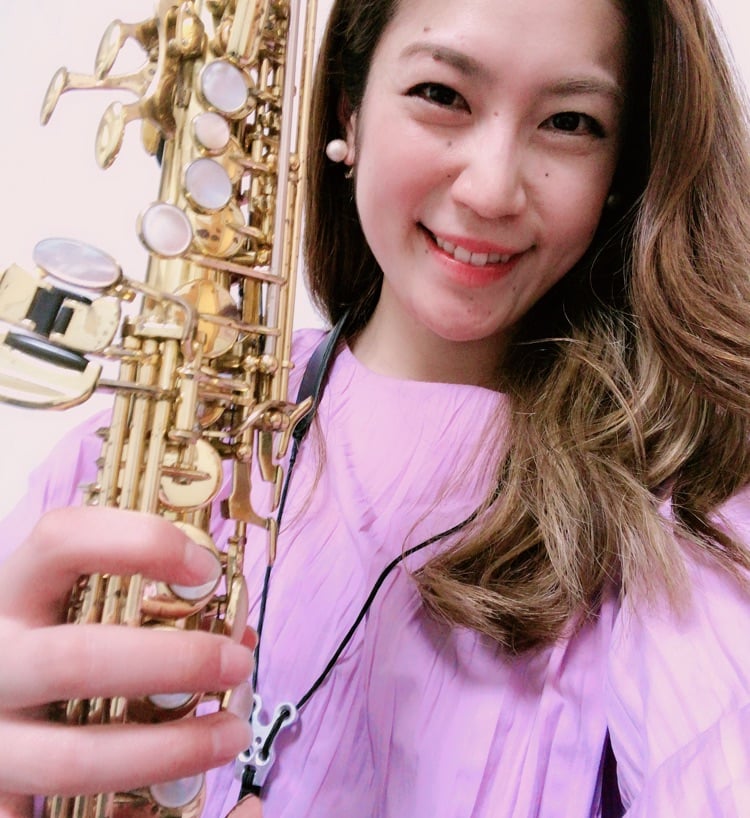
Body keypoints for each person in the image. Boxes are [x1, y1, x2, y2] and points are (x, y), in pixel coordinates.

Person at [1, 0, 750, 815]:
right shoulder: (117, 461)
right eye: (442, 95)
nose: (491, 190)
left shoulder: (686, 520)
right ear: (347, 112)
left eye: (570, 122)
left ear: (621, 172)